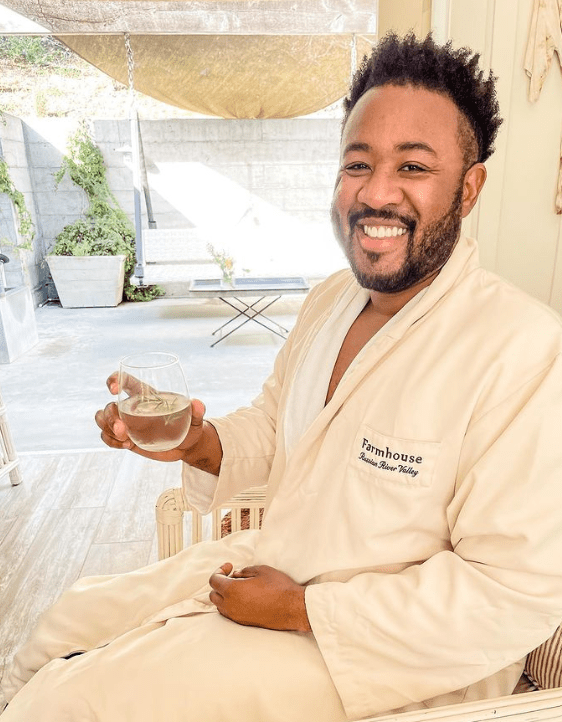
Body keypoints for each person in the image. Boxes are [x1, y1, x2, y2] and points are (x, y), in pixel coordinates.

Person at [3, 32, 562, 722]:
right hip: (274, 563)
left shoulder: (521, 351)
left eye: (413, 167)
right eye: (358, 164)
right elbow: (275, 427)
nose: (376, 193)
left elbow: (511, 593)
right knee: (62, 623)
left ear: (468, 188)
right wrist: (193, 439)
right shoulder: (331, 301)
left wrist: (303, 609)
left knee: (72, 701)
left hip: (392, 661)